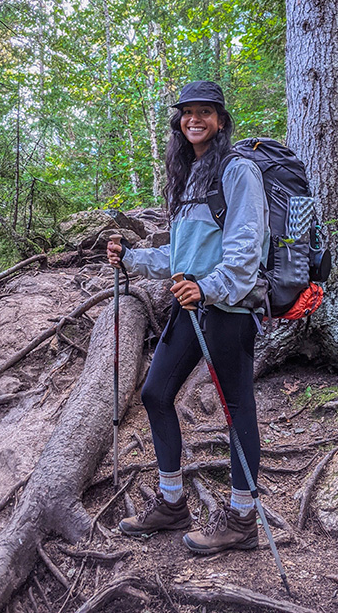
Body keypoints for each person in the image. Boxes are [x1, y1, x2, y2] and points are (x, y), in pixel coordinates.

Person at [107, 80, 269, 555]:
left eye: (205, 112)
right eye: (187, 112)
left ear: (220, 120)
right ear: (179, 122)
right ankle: (173, 502)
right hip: (191, 305)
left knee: (237, 409)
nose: (194, 119)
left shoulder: (238, 172)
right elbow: (179, 257)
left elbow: (243, 253)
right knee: (156, 393)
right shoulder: (188, 176)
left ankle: (241, 521)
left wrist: (208, 288)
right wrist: (132, 260)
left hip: (229, 308)